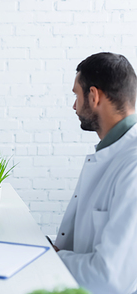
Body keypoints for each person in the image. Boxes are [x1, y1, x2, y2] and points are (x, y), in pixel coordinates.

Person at [51, 52, 137, 294]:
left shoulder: (133, 166)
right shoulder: (110, 154)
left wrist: (48, 258)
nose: (74, 106)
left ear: (94, 95)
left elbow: (109, 277)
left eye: (76, 95)